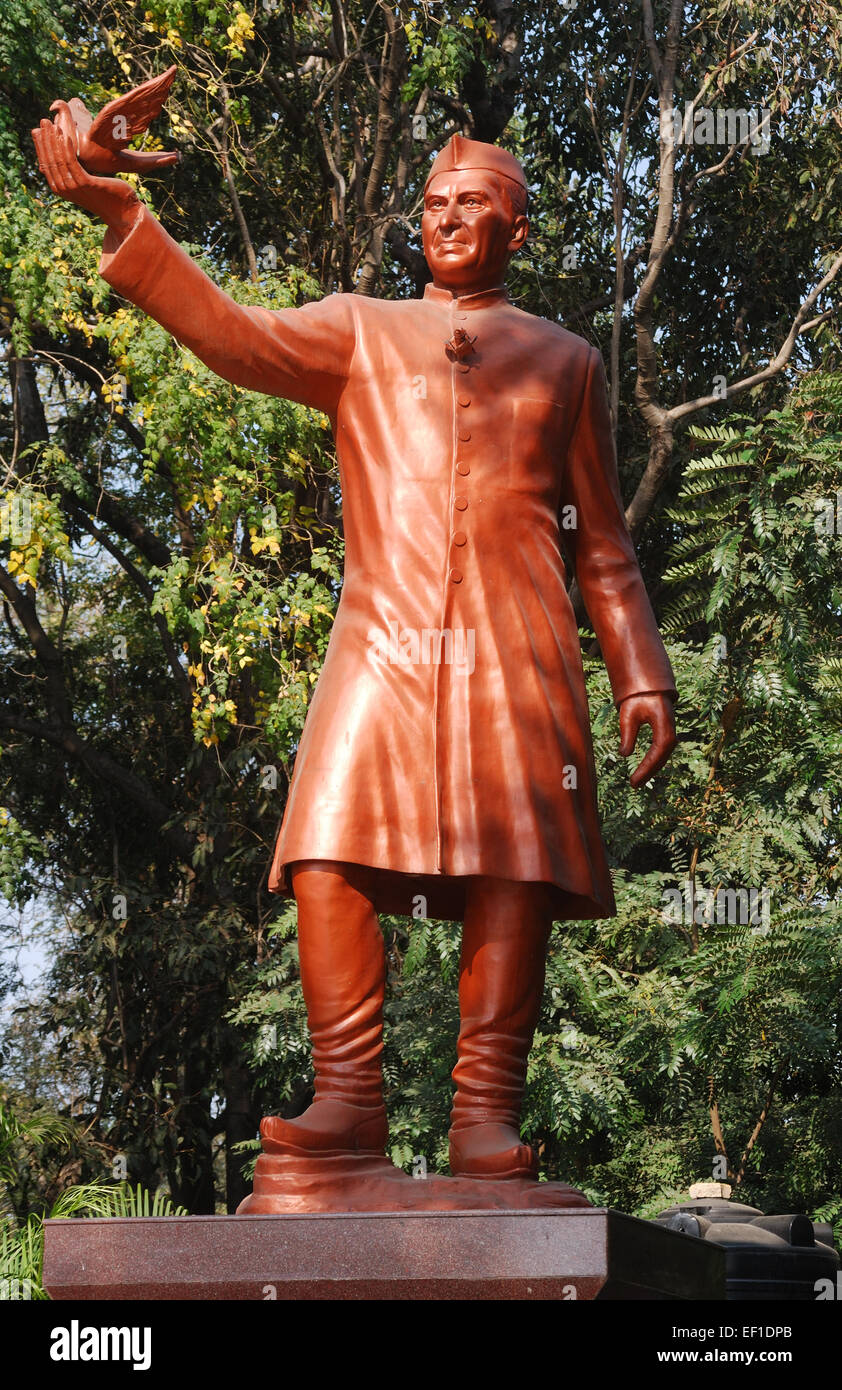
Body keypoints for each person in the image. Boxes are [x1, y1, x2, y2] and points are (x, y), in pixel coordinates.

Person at [33, 111, 677, 1182]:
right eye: (431, 207)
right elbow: (233, 333)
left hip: (518, 644)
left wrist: (638, 672)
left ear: (515, 225)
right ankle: (344, 1101)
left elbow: (600, 543)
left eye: (470, 205)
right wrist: (120, 213)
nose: (445, 221)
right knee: (323, 852)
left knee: (511, 865)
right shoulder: (359, 329)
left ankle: (482, 1117)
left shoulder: (564, 361)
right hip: (379, 639)